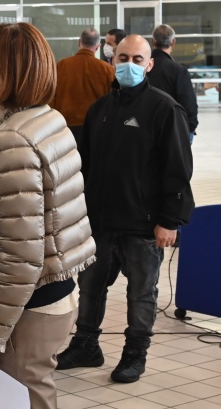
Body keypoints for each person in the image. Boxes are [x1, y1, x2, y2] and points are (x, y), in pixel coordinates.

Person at [0, 22, 96, 409]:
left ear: (8, 73)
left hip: (33, 304)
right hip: (57, 291)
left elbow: (20, 255)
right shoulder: (46, 118)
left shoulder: (11, 140)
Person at [57, 34, 194, 384]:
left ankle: (135, 353)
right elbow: (84, 166)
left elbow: (177, 170)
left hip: (143, 224)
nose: (128, 65)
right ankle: (86, 343)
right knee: (89, 286)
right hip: (101, 222)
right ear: (111, 60)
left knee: (141, 292)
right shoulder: (100, 109)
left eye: (137, 59)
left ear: (149, 65)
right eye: (122, 58)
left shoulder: (165, 109)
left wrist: (169, 221)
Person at [51, 28, 116, 152]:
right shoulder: (107, 70)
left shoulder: (61, 66)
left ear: (79, 42)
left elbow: (50, 97)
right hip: (96, 128)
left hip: (64, 128)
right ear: (98, 46)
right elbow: (112, 102)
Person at [148, 24, 199, 142]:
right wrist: (190, 129)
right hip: (174, 131)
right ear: (173, 42)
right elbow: (188, 103)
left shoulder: (143, 67)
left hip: (146, 128)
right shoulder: (179, 70)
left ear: (152, 42)